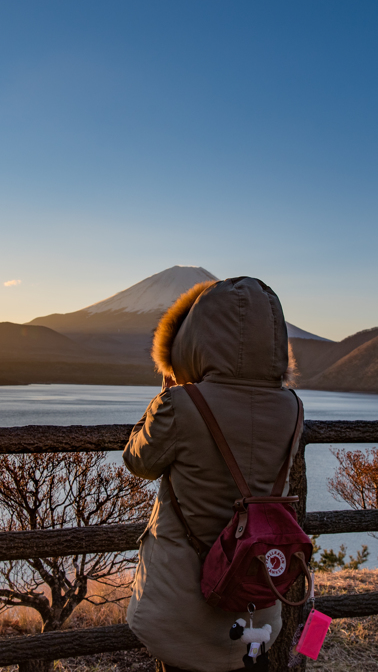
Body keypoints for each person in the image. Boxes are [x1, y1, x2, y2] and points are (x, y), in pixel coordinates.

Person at [123, 277, 302, 672]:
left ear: (194, 338)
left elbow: (138, 460)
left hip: (182, 610)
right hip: (257, 601)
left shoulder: (181, 404)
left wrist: (164, 395)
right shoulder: (292, 407)